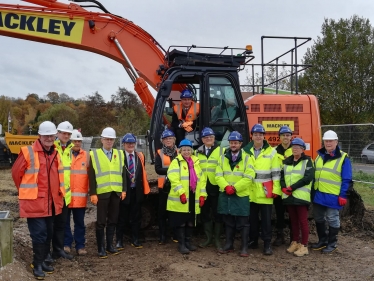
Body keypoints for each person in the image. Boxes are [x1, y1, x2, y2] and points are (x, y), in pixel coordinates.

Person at [12, 121, 65, 279]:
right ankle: (37, 264)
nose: (49, 138)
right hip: (35, 202)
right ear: (39, 136)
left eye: (51, 135)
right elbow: (16, 173)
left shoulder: (54, 153)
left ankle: (42, 261)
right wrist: (25, 191)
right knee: (39, 234)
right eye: (46, 135)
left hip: (50, 202)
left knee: (48, 232)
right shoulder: (28, 152)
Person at [311, 130, 352, 254]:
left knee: (332, 218)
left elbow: (347, 178)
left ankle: (332, 243)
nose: (328, 143)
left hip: (333, 195)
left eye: (330, 141)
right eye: (326, 141)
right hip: (318, 194)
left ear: (336, 142)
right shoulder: (319, 156)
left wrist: (343, 194)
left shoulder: (343, 158)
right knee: (318, 217)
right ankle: (322, 240)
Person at [243, 124, 281, 255]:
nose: (258, 136)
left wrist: (276, 189)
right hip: (250, 191)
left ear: (264, 136)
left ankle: (267, 244)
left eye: (260, 134)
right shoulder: (245, 151)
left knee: (266, 221)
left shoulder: (272, 152)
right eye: (256, 134)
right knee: (252, 220)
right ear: (251, 136)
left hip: (265, 191)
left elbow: (276, 172)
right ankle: (253, 241)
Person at [88, 127, 127, 259]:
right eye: (107, 139)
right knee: (100, 222)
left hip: (116, 193)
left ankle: (110, 246)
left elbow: (123, 174)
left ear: (114, 140)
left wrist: (124, 189)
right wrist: (92, 193)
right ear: (102, 140)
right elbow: (91, 176)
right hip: (102, 193)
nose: (109, 141)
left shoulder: (120, 154)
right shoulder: (94, 154)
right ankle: (101, 248)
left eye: (111, 139)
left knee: (113, 221)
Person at [216, 131, 255, 257]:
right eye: (232, 143)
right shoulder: (222, 157)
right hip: (226, 194)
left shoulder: (248, 158)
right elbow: (218, 175)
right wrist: (226, 186)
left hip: (241, 195)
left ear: (240, 144)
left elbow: (249, 176)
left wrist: (235, 188)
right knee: (228, 221)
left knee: (243, 223)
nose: (233, 145)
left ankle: (244, 247)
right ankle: (229, 245)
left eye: (236, 143)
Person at [167, 139, 207, 254]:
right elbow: (174, 179)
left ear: (192, 150)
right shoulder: (176, 162)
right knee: (181, 222)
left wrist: (202, 195)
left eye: (188, 150)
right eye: (184, 150)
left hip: (193, 196)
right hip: (181, 197)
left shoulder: (196, 162)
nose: (186, 152)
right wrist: (181, 193)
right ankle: (182, 244)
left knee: (190, 221)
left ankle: (188, 242)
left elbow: (202, 180)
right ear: (180, 151)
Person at [280, 138, 314, 257]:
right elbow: (282, 176)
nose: (295, 148)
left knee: (303, 221)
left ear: (303, 149)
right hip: (289, 196)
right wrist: (283, 187)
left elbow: (308, 178)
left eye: (298, 147)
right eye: (293, 146)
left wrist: (292, 187)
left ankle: (304, 245)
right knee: (293, 221)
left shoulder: (308, 161)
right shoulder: (287, 162)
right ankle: (295, 242)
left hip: (300, 196)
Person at [116, 133, 150, 250]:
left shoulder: (140, 156)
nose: (130, 145)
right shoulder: (119, 156)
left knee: (136, 217)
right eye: (128, 143)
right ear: (124, 144)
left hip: (137, 191)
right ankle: (119, 240)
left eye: (132, 143)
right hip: (124, 191)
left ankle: (135, 239)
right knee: (122, 217)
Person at [195, 127, 225, 250]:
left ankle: (217, 239)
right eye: (206, 137)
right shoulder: (197, 152)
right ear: (202, 139)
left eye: (211, 137)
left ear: (214, 138)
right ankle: (208, 238)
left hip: (217, 186)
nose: (208, 139)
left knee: (218, 213)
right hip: (203, 188)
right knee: (205, 213)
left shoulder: (221, 151)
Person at [63, 130, 89, 256]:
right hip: (67, 197)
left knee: (80, 223)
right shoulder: (65, 154)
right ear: (70, 141)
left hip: (80, 198)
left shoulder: (86, 156)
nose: (77, 143)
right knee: (65, 222)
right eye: (75, 141)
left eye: (79, 141)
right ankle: (66, 244)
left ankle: (80, 246)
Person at [51, 121, 74, 260]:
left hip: (65, 195)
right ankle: (48, 253)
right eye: (63, 133)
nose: (65, 135)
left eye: (68, 134)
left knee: (61, 224)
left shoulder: (69, 149)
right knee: (51, 225)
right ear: (57, 133)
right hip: (54, 194)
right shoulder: (52, 148)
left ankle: (58, 250)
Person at [154, 129, 178, 245]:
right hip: (164, 186)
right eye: (166, 139)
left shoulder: (180, 151)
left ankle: (175, 234)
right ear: (162, 141)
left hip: (177, 186)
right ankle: (162, 235)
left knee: (175, 211)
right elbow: (158, 169)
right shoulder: (159, 153)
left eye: (170, 138)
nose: (168, 140)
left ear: (174, 140)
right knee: (162, 212)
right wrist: (173, 170)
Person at [273, 125, 293, 246]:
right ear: (279, 137)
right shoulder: (274, 151)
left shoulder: (296, 149)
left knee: (292, 214)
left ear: (291, 137)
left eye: (288, 135)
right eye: (283, 135)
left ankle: (293, 238)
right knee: (279, 213)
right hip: (279, 187)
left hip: (291, 188)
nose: (285, 137)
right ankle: (280, 236)